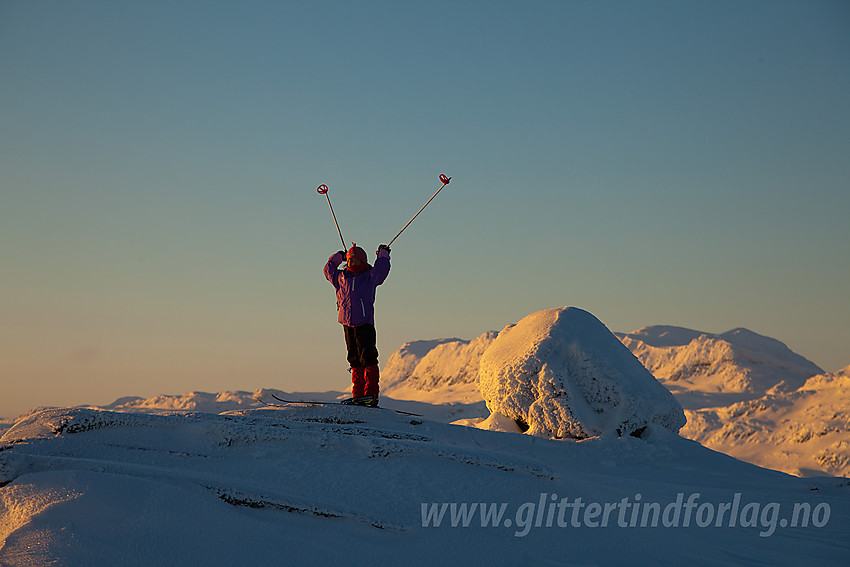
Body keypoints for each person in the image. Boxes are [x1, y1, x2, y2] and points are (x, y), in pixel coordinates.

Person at [324, 243, 391, 407]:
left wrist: (383, 254)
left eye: (356, 261)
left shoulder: (369, 276)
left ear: (363, 262)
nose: (353, 264)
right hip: (347, 324)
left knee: (368, 358)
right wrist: (339, 256)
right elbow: (327, 269)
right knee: (354, 360)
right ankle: (358, 395)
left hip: (364, 323)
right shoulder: (340, 278)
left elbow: (382, 269)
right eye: (350, 261)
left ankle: (371, 395)